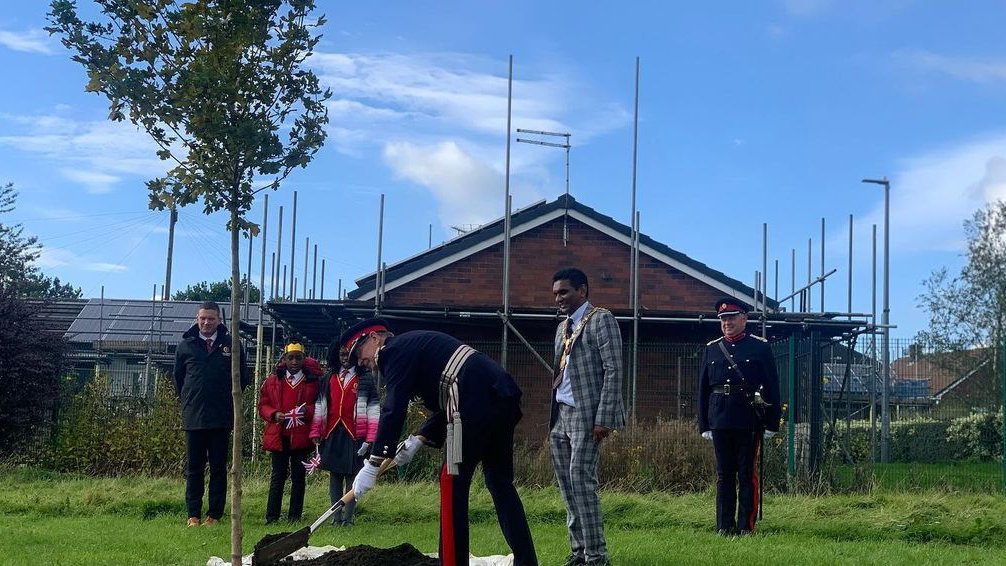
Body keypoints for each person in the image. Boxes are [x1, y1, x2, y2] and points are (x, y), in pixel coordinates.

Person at [345, 318, 538, 566]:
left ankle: (452, 563)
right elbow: (448, 395)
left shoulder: (392, 352)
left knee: (451, 480)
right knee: (500, 483)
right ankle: (527, 562)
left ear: (374, 339)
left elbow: (393, 409)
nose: (361, 363)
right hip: (500, 396)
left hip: (472, 402)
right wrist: (418, 439)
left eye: (359, 354)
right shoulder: (413, 346)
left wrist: (373, 463)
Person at [549, 267, 625, 566]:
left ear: (583, 290)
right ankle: (579, 552)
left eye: (564, 292)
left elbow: (614, 369)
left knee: (581, 479)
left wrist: (603, 417)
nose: (559, 298)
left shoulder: (601, 319)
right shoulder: (562, 327)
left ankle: (597, 556)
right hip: (561, 413)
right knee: (567, 485)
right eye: (556, 293)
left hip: (587, 413)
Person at [697, 298, 781, 536]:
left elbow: (772, 386)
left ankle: (746, 525)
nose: (727, 322)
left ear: (744, 318)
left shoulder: (759, 347)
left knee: (746, 474)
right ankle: (724, 525)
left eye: (732, 317)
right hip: (719, 418)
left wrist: (771, 421)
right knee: (724, 475)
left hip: (748, 418)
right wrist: (704, 423)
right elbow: (702, 389)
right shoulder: (712, 348)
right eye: (723, 319)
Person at [173, 300, 249, 527]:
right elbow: (179, 379)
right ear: (197, 319)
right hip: (194, 416)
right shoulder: (185, 345)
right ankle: (193, 514)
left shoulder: (231, 345)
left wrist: (226, 400)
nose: (206, 322)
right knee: (194, 468)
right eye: (202, 318)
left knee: (218, 469)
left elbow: (242, 378)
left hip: (221, 417)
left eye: (211, 319)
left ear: (219, 320)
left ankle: (214, 515)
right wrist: (189, 400)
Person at [309, 342, 380, 526]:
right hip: (332, 432)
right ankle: (335, 517)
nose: (345, 359)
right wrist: (316, 431)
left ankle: (348, 518)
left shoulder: (365, 379)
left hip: (355, 434)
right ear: (336, 356)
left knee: (353, 477)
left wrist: (371, 438)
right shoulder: (328, 378)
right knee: (334, 477)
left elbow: (373, 410)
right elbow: (320, 406)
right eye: (341, 355)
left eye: (348, 355)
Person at [258, 342, 321, 524]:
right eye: (290, 358)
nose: (294, 362)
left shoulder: (312, 382)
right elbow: (263, 405)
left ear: (304, 359)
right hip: (279, 436)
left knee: (298, 477)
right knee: (277, 476)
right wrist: (273, 414)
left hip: (301, 436)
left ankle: (294, 516)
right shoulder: (272, 381)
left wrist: (306, 412)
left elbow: (319, 405)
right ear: (284, 359)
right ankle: (272, 516)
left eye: (298, 358)